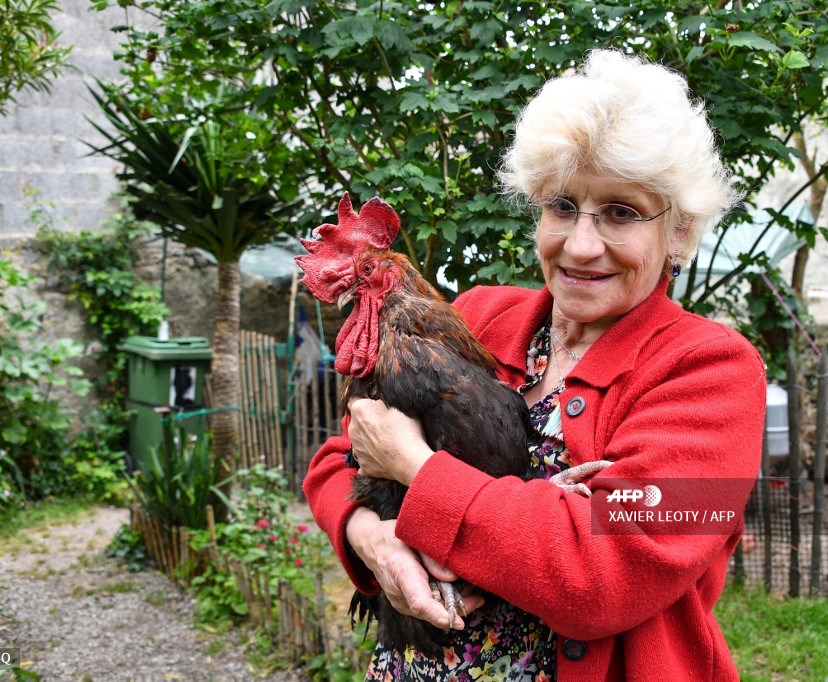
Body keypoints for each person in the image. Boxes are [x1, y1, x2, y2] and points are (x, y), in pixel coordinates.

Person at [303, 48, 766, 681]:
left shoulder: (717, 373)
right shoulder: (479, 318)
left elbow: (602, 575)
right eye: (562, 206)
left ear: (680, 230)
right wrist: (372, 539)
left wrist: (417, 468)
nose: (580, 244)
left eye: (621, 212)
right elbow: (340, 461)